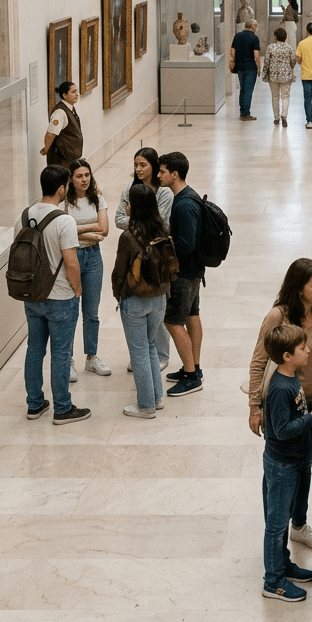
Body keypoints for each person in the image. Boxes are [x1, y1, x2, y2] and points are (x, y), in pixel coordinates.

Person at [248, 258, 312, 551]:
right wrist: (254, 408)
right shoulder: (277, 317)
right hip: (284, 405)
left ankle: (299, 524)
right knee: (282, 467)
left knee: (305, 467)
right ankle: (278, 528)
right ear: (299, 289)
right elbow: (259, 362)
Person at [260, 323, 312, 602]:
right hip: (282, 465)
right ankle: (273, 581)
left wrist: (311, 400)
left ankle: (282, 564)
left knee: (286, 518)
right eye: (303, 348)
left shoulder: (292, 378)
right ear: (287, 356)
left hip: (296, 460)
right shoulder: (278, 387)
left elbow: (294, 410)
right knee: (276, 524)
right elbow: (281, 430)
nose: (309, 350)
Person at [19, 164, 91, 425]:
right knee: (61, 353)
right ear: (62, 188)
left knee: (34, 349)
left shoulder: (25, 216)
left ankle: (35, 404)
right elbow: (71, 262)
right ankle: (62, 408)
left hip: (32, 296)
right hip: (60, 298)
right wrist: (78, 289)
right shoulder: (64, 221)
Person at [111, 182, 172, 418]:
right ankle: (157, 398)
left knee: (138, 353)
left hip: (135, 300)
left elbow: (119, 272)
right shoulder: (164, 232)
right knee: (150, 348)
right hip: (159, 299)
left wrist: (119, 295)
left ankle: (145, 405)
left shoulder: (129, 237)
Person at [113, 146, 173, 372]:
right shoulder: (129, 188)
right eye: (136, 165)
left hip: (156, 255)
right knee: (138, 301)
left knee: (156, 304)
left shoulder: (164, 192)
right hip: (134, 252)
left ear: (153, 166)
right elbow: (119, 219)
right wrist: (144, 219)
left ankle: (161, 353)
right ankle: (143, 353)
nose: (138, 169)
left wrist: (134, 215)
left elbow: (163, 224)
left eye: (143, 165)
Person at [157, 151, 204, 397]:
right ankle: (193, 367)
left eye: (162, 171)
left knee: (173, 321)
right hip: (194, 271)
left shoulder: (184, 204)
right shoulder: (188, 196)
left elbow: (186, 245)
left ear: (174, 174)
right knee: (192, 316)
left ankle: (192, 375)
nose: (159, 175)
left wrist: (164, 241)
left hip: (183, 273)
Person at [64, 158, 110, 381]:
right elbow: (60, 231)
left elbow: (104, 230)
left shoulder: (97, 198)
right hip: (71, 256)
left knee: (91, 312)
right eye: (79, 176)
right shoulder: (64, 202)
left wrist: (75, 229)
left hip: (93, 257)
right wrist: (89, 230)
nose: (84, 180)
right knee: (71, 311)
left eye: (87, 175)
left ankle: (91, 357)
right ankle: (68, 360)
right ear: (71, 179)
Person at [40, 81, 82, 165]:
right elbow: (50, 134)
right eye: (73, 92)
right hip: (62, 158)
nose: (77, 94)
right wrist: (46, 149)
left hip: (70, 157)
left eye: (76, 91)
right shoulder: (60, 112)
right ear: (65, 95)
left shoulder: (70, 108)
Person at [230, 18, 261, 121]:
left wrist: (233, 61)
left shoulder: (237, 36)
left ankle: (242, 111)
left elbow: (232, 51)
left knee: (243, 89)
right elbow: (256, 56)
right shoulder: (254, 38)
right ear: (253, 27)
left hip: (240, 67)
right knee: (248, 91)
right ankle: (246, 113)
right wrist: (259, 67)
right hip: (251, 68)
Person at [263, 26, 295, 127]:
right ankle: (284, 116)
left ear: (276, 37)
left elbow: (266, 62)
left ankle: (276, 118)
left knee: (275, 96)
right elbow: (293, 61)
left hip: (273, 76)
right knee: (285, 96)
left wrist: (265, 74)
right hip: (286, 75)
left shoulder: (271, 47)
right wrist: (289, 68)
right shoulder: (289, 47)